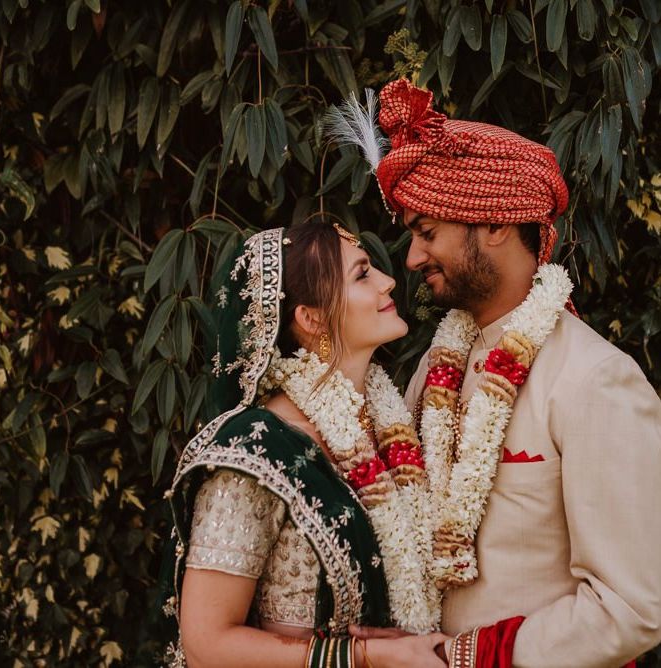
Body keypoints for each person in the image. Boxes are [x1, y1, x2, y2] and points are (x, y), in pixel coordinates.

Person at [353, 78, 661, 667]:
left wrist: (470, 657)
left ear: (494, 224)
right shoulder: (432, 370)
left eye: (427, 232)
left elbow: (632, 606)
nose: (413, 258)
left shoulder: (595, 380)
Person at [161, 222, 450, 668]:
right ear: (312, 318)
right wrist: (365, 655)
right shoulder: (256, 451)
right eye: (362, 275)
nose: (388, 280)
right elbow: (205, 641)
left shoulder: (389, 424)